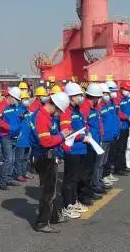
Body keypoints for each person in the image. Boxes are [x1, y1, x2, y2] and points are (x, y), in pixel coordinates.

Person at [30, 91, 72, 232]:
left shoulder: (45, 115)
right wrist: (62, 135)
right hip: (44, 157)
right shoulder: (42, 118)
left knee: (52, 190)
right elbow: (46, 141)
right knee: (48, 192)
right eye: (59, 111)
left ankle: (53, 216)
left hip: (47, 155)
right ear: (55, 106)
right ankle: (42, 223)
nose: (59, 114)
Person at [60, 82, 92, 215]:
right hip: (72, 150)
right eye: (78, 95)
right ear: (72, 97)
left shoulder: (78, 111)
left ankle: (74, 201)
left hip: (81, 149)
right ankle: (68, 205)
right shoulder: (66, 112)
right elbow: (66, 131)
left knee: (77, 178)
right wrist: (81, 137)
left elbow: (84, 125)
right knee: (70, 179)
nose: (81, 97)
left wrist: (87, 132)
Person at [81, 83, 107, 195]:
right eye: (99, 97)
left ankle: (92, 186)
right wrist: (88, 134)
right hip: (89, 142)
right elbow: (84, 124)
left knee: (93, 165)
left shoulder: (95, 107)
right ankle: (90, 188)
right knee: (87, 169)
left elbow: (98, 122)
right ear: (94, 97)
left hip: (96, 140)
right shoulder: (85, 107)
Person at [0, 86, 23, 189]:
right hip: (6, 136)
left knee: (13, 159)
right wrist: (8, 127)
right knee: (9, 159)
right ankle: (3, 181)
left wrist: (21, 119)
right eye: (16, 99)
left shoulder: (14, 106)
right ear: (11, 97)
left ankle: (8, 178)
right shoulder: (2, 106)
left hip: (15, 136)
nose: (17, 101)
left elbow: (17, 119)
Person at [113, 81, 130, 175]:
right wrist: (126, 117)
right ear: (121, 89)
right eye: (126, 90)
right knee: (119, 148)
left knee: (124, 147)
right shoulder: (118, 98)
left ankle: (123, 166)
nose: (128, 92)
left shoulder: (127, 98)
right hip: (121, 126)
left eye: (129, 90)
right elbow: (117, 112)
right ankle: (118, 168)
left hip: (127, 125)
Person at [103, 80, 121, 185]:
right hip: (106, 135)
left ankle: (108, 173)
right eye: (112, 91)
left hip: (113, 133)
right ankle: (104, 175)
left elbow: (115, 117)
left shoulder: (112, 103)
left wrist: (117, 131)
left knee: (111, 156)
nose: (115, 93)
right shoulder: (103, 104)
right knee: (105, 158)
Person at [15, 90, 34, 182]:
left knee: (26, 158)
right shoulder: (18, 111)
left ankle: (24, 172)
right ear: (20, 100)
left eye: (27, 99)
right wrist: (20, 117)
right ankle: (18, 174)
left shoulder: (28, 111)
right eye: (24, 99)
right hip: (21, 139)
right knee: (19, 158)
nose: (27, 100)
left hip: (28, 139)